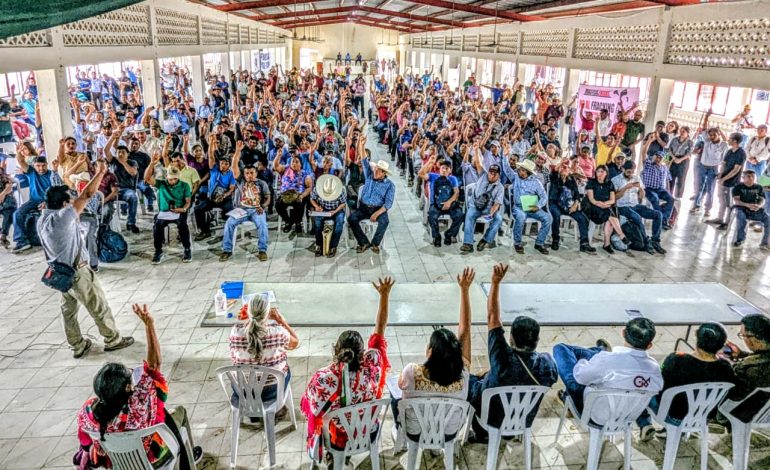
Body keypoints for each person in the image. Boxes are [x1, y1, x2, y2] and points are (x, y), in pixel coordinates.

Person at [75, 304, 202, 468]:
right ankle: (188, 461)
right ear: (128, 388)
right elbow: (154, 365)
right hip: (151, 459)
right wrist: (149, 324)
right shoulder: (141, 404)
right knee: (179, 413)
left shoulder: (88, 412)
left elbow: (85, 442)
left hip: (116, 462)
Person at [37, 163, 134, 358]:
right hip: (77, 272)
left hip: (60, 272)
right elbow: (87, 195)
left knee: (68, 311)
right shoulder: (62, 218)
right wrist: (99, 173)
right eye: (70, 198)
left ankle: (77, 345)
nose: (74, 200)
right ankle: (112, 339)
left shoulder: (43, 219)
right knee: (98, 305)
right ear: (64, 205)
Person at [301, 277, 393, 463]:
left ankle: (335, 457)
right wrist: (384, 295)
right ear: (363, 354)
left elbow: (311, 408)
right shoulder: (373, 365)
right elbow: (380, 331)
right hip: (368, 430)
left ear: (337, 350)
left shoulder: (324, 379)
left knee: (329, 418)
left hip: (339, 439)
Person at [467, 264, 558, 441]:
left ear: (511, 339)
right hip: (522, 420)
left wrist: (495, 282)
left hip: (490, 419)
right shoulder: (547, 365)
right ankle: (510, 433)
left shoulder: (501, 358)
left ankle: (481, 433)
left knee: (468, 380)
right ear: (537, 341)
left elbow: (492, 317)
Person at [391, 268, 474, 447]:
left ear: (429, 351)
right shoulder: (464, 370)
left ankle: (399, 432)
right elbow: (465, 331)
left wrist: (464, 289)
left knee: (395, 396)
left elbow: (399, 384)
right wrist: (465, 290)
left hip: (416, 433)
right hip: (448, 433)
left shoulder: (412, 371)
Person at [552, 318, 663, 425]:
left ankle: (599, 350)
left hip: (594, 415)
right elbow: (656, 387)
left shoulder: (608, 360)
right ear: (649, 346)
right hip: (627, 417)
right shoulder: (654, 369)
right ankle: (599, 350)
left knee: (561, 349)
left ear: (623, 333)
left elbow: (580, 376)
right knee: (597, 364)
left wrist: (583, 362)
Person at [635, 323, 737, 440]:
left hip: (670, 416)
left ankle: (645, 424)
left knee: (642, 388)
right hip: (702, 417)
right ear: (721, 346)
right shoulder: (726, 367)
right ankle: (675, 431)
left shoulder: (676, 360)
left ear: (696, 337)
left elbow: (659, 385)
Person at [228, 294, 300, 412]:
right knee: (286, 370)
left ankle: (252, 411)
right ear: (267, 314)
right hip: (271, 391)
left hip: (243, 391)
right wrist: (281, 320)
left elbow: (233, 355)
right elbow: (295, 342)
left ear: (249, 312)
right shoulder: (278, 332)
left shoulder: (236, 332)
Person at [144, 153, 192, 265]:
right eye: (171, 179)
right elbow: (146, 178)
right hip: (164, 212)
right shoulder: (161, 184)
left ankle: (187, 249)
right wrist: (152, 163)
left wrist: (183, 209)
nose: (172, 181)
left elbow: (188, 201)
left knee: (182, 225)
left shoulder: (185, 185)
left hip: (179, 211)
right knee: (157, 226)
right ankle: (158, 251)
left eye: (175, 179)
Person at [348, 141, 395, 254]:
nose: (376, 171)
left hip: (378, 208)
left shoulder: (389, 185)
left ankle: (375, 243)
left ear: (384, 173)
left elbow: (388, 204)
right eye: (376, 169)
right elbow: (364, 159)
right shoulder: (369, 174)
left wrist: (377, 213)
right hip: (364, 207)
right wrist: (362, 145)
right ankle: (363, 242)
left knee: (384, 221)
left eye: (379, 170)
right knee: (352, 219)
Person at [220, 162, 272, 262]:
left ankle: (262, 250)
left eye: (252, 173)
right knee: (229, 223)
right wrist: (237, 151)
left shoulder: (262, 183)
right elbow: (234, 167)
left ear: (256, 173)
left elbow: (268, 197)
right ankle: (227, 250)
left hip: (256, 209)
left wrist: (263, 206)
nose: (249, 175)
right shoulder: (240, 182)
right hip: (241, 209)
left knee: (262, 224)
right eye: (247, 173)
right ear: (244, 174)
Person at [612, 160, 666, 255]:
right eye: (629, 172)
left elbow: (641, 196)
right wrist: (625, 188)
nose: (631, 174)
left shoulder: (636, 178)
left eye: (632, 172)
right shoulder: (615, 180)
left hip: (635, 205)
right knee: (636, 217)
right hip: (622, 206)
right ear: (623, 169)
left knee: (658, 214)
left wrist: (640, 188)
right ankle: (646, 242)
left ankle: (655, 241)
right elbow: (614, 198)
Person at [11, 155, 62, 252]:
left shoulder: (52, 175)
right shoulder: (31, 172)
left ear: (47, 165)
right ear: (34, 166)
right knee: (17, 214)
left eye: (43, 165)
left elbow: (57, 192)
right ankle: (22, 242)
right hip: (33, 201)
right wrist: (18, 152)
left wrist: (46, 202)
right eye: (38, 166)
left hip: (50, 202)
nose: (41, 168)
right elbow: (21, 161)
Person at [193, 137, 239, 240]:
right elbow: (210, 156)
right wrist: (211, 143)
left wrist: (224, 195)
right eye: (222, 163)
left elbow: (232, 189)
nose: (223, 165)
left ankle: (227, 233)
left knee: (230, 214)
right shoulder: (214, 170)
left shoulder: (231, 174)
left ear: (229, 165)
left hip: (225, 198)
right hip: (212, 198)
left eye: (226, 164)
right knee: (198, 209)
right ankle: (205, 231)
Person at [506, 158, 552, 255]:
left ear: (527, 172)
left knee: (548, 218)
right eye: (520, 169)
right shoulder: (515, 177)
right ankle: (517, 243)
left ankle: (539, 243)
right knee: (521, 216)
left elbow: (544, 197)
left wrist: (538, 206)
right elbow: (506, 168)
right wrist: (504, 154)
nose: (519, 170)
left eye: (522, 169)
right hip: (519, 207)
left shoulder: (536, 182)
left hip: (532, 207)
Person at [548, 162, 595, 253]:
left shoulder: (571, 180)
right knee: (556, 215)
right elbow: (554, 169)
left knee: (582, 217)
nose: (564, 169)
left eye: (567, 168)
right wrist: (562, 163)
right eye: (563, 167)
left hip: (569, 205)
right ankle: (555, 239)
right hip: (555, 204)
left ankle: (584, 244)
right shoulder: (555, 177)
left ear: (570, 171)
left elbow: (577, 194)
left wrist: (575, 204)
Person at [418, 156, 463, 247]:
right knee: (431, 215)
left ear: (450, 170)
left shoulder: (452, 179)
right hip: (435, 205)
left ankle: (448, 234)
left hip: (450, 205)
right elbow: (420, 174)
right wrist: (429, 162)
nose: (444, 170)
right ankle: (437, 236)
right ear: (439, 169)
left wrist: (449, 202)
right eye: (442, 168)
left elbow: (456, 193)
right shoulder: (433, 176)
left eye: (447, 168)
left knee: (460, 215)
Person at [461, 164, 504, 253]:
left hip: (489, 208)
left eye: (494, 174)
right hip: (475, 206)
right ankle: (468, 243)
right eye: (490, 172)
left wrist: (491, 214)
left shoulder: (500, 187)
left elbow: (497, 204)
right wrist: (476, 150)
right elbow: (479, 163)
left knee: (498, 219)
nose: (491, 175)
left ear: (499, 175)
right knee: (469, 215)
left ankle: (485, 240)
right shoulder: (483, 175)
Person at [584, 165, 627, 254]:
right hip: (592, 208)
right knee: (610, 215)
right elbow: (592, 199)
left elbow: (612, 200)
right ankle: (621, 235)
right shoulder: (591, 182)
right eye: (598, 171)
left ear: (606, 173)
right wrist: (600, 204)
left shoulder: (609, 183)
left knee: (610, 219)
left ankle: (607, 244)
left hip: (605, 207)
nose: (599, 173)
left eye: (602, 171)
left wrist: (605, 204)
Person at [692, 112, 728, 217]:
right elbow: (704, 129)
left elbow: (726, 140)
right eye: (710, 134)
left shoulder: (723, 145)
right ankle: (696, 205)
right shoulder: (707, 142)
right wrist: (707, 117)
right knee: (699, 188)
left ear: (718, 135)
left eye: (714, 135)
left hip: (713, 169)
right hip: (703, 167)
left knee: (710, 189)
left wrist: (719, 130)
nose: (711, 136)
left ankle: (707, 209)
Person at [708, 132, 747, 230]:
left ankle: (726, 223)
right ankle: (720, 218)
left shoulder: (741, 153)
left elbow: (736, 169)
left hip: (732, 182)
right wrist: (721, 175)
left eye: (730, 138)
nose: (728, 140)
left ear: (735, 141)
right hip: (723, 180)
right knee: (721, 200)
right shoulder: (730, 151)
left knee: (729, 203)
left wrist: (724, 179)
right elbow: (724, 164)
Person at [309, 174, 347, 258]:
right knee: (317, 224)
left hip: (336, 210)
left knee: (339, 224)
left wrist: (335, 211)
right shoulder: (317, 189)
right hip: (323, 209)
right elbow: (312, 199)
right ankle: (319, 245)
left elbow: (343, 203)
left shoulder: (340, 190)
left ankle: (333, 246)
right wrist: (317, 206)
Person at [731, 170, 769, 249]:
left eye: (753, 176)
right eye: (748, 176)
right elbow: (736, 201)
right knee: (740, 216)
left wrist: (758, 205)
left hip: (755, 209)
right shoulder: (738, 187)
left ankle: (764, 243)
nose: (751, 178)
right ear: (743, 177)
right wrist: (747, 205)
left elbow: (763, 200)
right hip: (742, 208)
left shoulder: (758, 187)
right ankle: (740, 239)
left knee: (768, 218)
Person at [639, 147, 675, 230]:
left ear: (662, 159)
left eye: (660, 158)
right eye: (657, 157)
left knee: (671, 199)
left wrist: (668, 191)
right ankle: (661, 220)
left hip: (661, 190)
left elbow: (667, 180)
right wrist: (649, 141)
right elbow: (643, 154)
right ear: (654, 157)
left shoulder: (664, 168)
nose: (658, 159)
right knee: (655, 199)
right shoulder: (648, 165)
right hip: (649, 189)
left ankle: (663, 219)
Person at [667, 126, 693, 199]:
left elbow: (689, 153)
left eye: (683, 131)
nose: (681, 133)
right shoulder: (675, 139)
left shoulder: (690, 142)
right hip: (673, 158)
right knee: (670, 177)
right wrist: (671, 159)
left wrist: (680, 159)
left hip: (683, 161)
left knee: (681, 178)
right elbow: (669, 149)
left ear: (687, 133)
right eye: (680, 131)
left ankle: (678, 196)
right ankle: (669, 194)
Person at [0, 165, 17, 248]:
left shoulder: (2, 173)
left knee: (9, 209)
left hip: (6, 199)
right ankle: (2, 235)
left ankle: (3, 235)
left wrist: (2, 194)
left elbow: (9, 186)